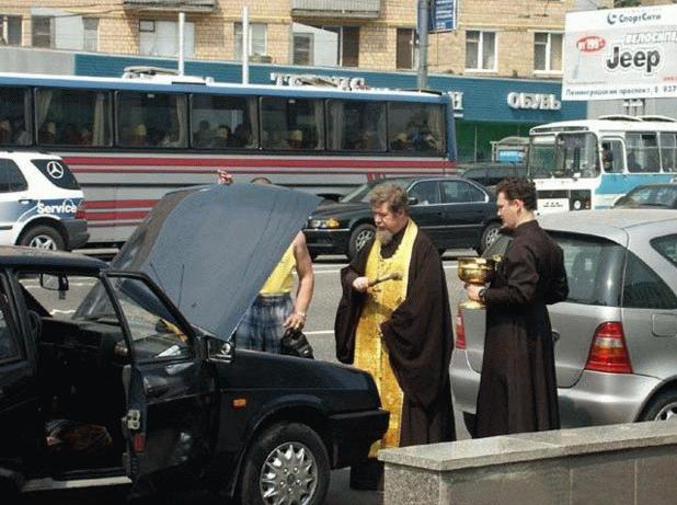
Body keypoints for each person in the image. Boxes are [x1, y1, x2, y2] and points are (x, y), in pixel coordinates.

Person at [334, 183, 455, 490]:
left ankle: (403, 474)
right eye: (375, 214)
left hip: (401, 348)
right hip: (369, 345)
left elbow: (425, 306)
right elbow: (348, 271)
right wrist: (355, 281)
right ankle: (368, 474)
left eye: (383, 215)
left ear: (401, 214)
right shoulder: (375, 243)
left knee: (401, 407)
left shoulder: (422, 249)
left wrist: (390, 329)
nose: (377, 221)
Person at [465, 177, 568, 438]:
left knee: (512, 402)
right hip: (537, 330)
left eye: (502, 207)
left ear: (518, 205)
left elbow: (520, 293)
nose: (498, 213)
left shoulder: (522, 245)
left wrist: (483, 293)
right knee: (536, 397)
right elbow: (558, 291)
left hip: (513, 335)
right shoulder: (548, 242)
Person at [216, 170, 315, 353]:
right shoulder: (240, 231)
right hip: (248, 306)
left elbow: (307, 275)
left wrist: (300, 312)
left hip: (280, 309)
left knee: (279, 366)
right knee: (247, 363)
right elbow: (218, 221)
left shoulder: (294, 235)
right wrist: (225, 191)